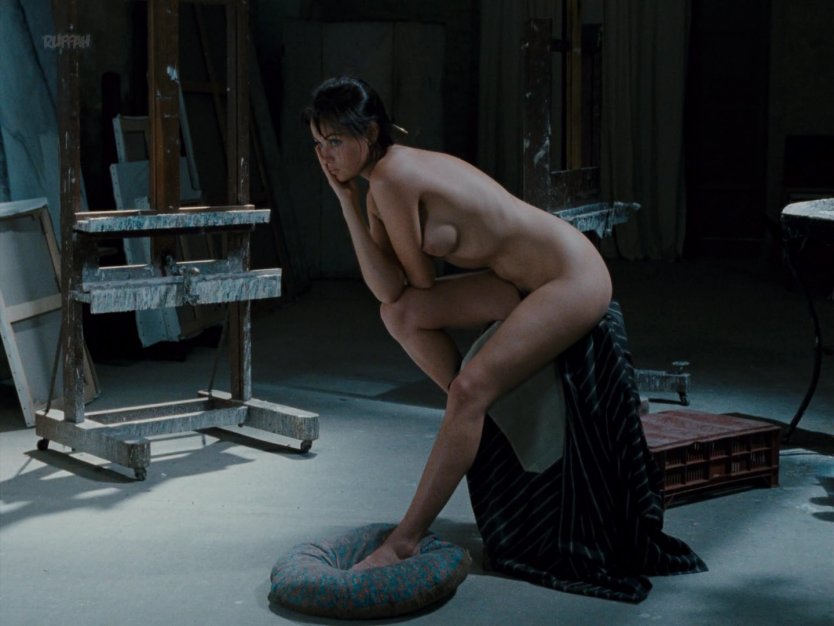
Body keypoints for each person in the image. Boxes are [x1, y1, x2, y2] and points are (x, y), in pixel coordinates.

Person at [303, 77, 705, 598]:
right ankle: (476, 418)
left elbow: (418, 279)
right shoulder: (380, 182)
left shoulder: (392, 178)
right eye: (319, 143)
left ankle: (406, 537)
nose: (326, 156)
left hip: (570, 277)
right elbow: (391, 295)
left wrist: (361, 206)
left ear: (371, 132)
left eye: (336, 141)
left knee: (468, 389)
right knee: (399, 317)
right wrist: (345, 204)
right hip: (515, 283)